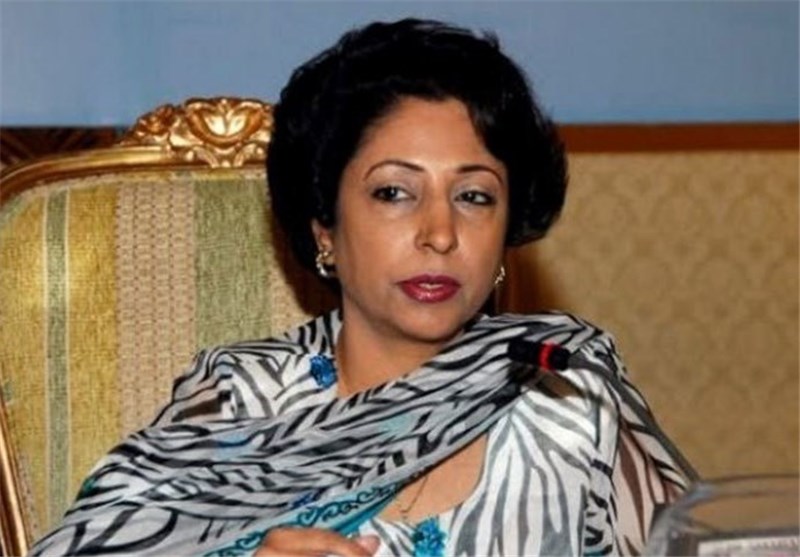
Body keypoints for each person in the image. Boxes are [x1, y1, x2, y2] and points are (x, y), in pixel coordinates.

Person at [29, 18, 690, 557]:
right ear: (325, 227)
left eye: (474, 196)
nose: (440, 233)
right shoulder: (242, 399)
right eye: (394, 192)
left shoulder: (566, 392)